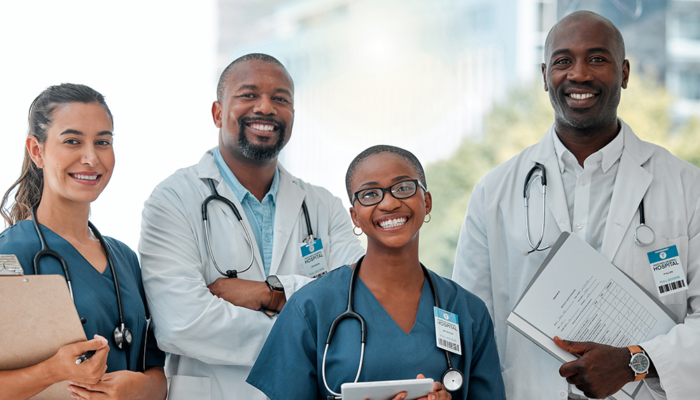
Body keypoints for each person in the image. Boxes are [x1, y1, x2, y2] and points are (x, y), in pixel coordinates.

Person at [452, 10, 700, 400]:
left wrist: (634, 362)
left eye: (598, 59)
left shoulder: (686, 186)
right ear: (544, 76)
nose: (579, 74)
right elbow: (471, 326)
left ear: (625, 73)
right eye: (563, 61)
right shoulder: (494, 192)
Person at [139, 53, 365, 400]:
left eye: (280, 99)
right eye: (248, 95)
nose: (266, 108)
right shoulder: (173, 200)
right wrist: (310, 331)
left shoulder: (324, 206)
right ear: (217, 113)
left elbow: (355, 307)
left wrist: (270, 291)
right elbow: (182, 324)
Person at [247, 145, 506, 400]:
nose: (390, 203)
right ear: (355, 217)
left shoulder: (467, 310)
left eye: (404, 188)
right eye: (370, 194)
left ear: (426, 202)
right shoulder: (310, 307)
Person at [0, 83, 167, 400]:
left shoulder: (124, 258)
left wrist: (142, 388)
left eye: (102, 142)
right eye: (72, 141)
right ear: (37, 151)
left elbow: (158, 369)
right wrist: (53, 371)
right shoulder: (9, 255)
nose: (91, 157)